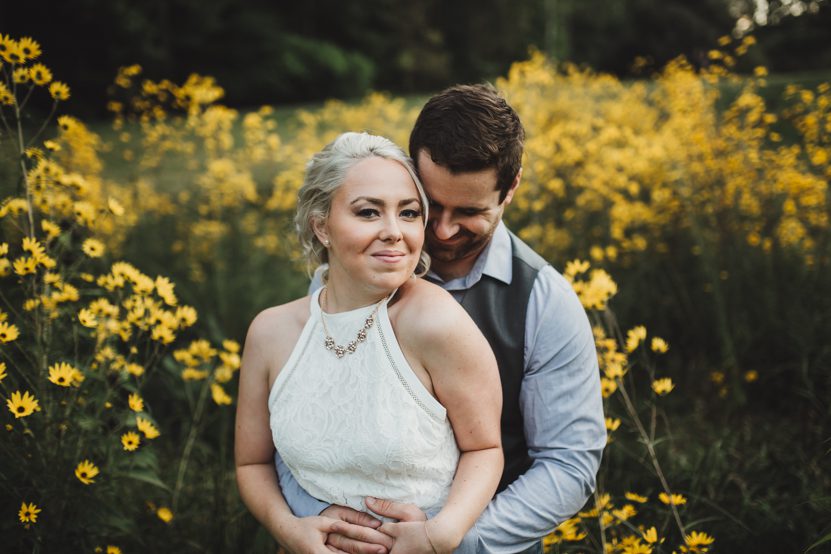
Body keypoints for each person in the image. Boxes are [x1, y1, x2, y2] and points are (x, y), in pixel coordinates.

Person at [276, 84, 607, 553]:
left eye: (469, 211)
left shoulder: (544, 301)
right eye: (431, 204)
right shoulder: (350, 275)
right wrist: (318, 521)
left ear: (509, 189)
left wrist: (444, 540)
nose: (444, 230)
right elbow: (298, 418)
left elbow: (567, 466)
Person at [235, 132, 504, 554]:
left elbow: (485, 448)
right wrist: (288, 529)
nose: (394, 232)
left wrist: (439, 536)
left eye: (409, 213)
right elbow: (251, 463)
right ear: (321, 226)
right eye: (368, 213)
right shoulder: (270, 333)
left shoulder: (435, 321)